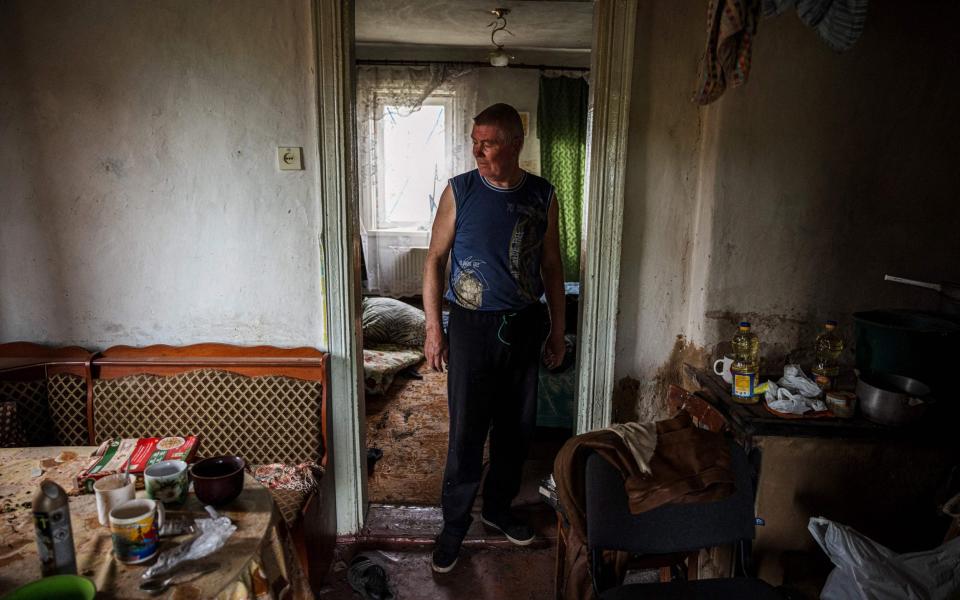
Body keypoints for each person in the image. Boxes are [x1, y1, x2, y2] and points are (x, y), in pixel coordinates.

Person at [422, 103, 566, 573]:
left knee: (515, 430)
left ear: (516, 143)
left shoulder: (543, 194)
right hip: (470, 327)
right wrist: (433, 330)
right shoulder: (459, 191)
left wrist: (557, 330)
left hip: (523, 323)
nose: (477, 151)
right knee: (467, 431)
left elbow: (551, 266)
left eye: (488, 142)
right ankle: (454, 526)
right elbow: (434, 260)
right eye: (474, 141)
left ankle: (499, 510)